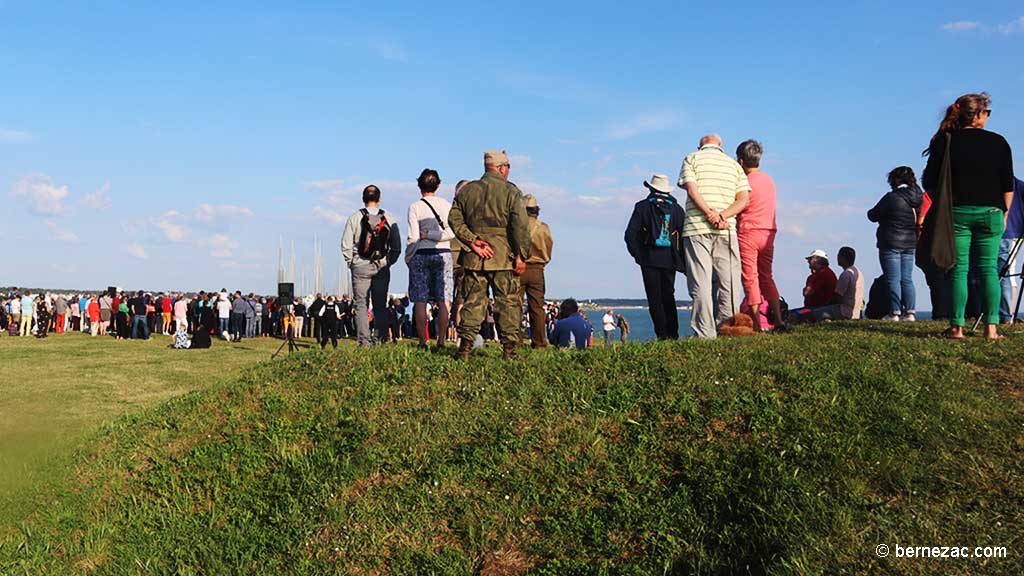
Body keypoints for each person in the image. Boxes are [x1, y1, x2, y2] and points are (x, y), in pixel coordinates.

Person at [922, 93, 1014, 339]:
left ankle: (957, 327)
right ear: (980, 114)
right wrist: (1004, 213)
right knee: (988, 269)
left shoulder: (946, 141)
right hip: (992, 211)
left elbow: (929, 181)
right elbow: (1008, 184)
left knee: (958, 269)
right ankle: (991, 328)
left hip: (956, 212)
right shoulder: (999, 142)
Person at [448, 150, 530, 360]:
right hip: (503, 256)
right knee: (507, 303)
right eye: (508, 167)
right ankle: (509, 352)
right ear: (501, 168)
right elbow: (520, 226)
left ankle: (464, 349)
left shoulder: (468, 191)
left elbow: (454, 219)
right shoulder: (511, 192)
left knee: (473, 302)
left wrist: (472, 240)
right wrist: (521, 256)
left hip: (475, 257)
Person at [678, 134, 751, 339]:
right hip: (726, 229)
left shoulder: (691, 158)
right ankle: (728, 329)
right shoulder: (734, 165)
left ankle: (705, 333)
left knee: (700, 283)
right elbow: (744, 199)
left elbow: (692, 190)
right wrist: (722, 216)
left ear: (700, 146)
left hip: (696, 228)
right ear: (721, 146)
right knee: (729, 282)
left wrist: (709, 214)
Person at [624, 174, 687, 339]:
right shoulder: (677, 209)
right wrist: (682, 261)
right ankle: (673, 334)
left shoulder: (642, 207)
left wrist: (639, 256)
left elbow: (630, 235)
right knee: (668, 296)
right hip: (670, 260)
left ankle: (661, 335)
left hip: (649, 259)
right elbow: (684, 237)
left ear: (651, 188)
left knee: (654, 299)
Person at [342, 184, 402, 347]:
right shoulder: (389, 218)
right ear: (379, 199)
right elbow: (396, 246)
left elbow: (346, 244)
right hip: (381, 265)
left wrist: (352, 262)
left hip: (360, 264)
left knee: (361, 305)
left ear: (363, 199)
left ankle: (364, 341)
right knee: (380, 305)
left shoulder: (354, 218)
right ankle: (379, 339)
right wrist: (388, 262)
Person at [735, 140, 784, 332]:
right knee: (766, 276)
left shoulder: (744, 182)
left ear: (740, 161)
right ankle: (778, 320)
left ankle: (756, 323)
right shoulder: (769, 180)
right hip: (768, 231)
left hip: (748, 231)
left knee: (750, 277)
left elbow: (741, 205)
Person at [406, 168, 456, 350]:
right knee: (444, 299)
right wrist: (435, 234)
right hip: (443, 252)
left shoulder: (415, 207)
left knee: (420, 299)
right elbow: (452, 232)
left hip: (421, 252)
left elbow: (413, 236)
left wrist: (409, 256)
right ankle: (441, 340)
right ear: (438, 185)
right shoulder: (447, 205)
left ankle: (422, 341)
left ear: (419, 186)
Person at [867, 167, 923, 321]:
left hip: (891, 242)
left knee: (893, 279)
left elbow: (872, 215)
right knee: (907, 279)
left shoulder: (891, 197)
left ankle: (894, 312)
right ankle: (910, 312)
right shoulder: (918, 198)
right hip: (910, 243)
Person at [517, 193, 553, 348]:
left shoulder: (517, 226)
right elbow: (549, 248)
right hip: (537, 269)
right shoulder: (543, 227)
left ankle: (515, 341)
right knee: (537, 308)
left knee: (514, 306)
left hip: (517, 268)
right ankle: (539, 342)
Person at [811, 247, 864, 321]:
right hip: (856, 312)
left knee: (813, 314)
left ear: (843, 258)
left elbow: (837, 296)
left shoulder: (846, 274)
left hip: (844, 311)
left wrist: (825, 306)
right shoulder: (858, 273)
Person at [997, 178, 1024, 323]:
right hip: (1014, 232)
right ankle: (1006, 315)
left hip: (1000, 230)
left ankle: (998, 313)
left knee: (994, 273)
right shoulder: (1019, 185)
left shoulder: (996, 182)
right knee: (1006, 274)